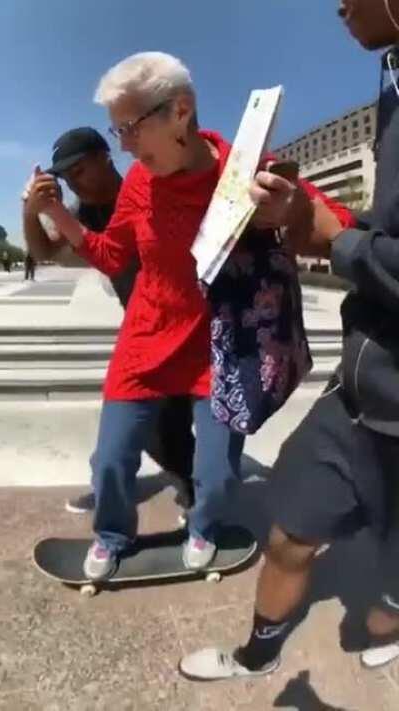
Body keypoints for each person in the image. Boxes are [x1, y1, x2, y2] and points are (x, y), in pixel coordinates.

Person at [36, 52, 352, 583]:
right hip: (146, 337)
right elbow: (114, 255)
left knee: (218, 475)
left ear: (180, 111)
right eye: (117, 133)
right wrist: (58, 215)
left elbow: (333, 221)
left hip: (218, 344)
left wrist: (288, 209)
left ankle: (204, 528)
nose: (126, 147)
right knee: (111, 460)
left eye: (131, 128)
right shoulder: (140, 182)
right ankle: (112, 535)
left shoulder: (244, 168)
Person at [179, 0, 399, 681]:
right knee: (289, 532)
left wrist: (342, 241)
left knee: (393, 577)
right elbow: (378, 225)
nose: (338, 4)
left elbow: (366, 243)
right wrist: (307, 218)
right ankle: (257, 653)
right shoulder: (391, 86)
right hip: (362, 388)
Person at [22, 126, 195, 515]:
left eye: (80, 171)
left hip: (183, 322)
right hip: (141, 325)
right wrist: (31, 211)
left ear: (105, 156)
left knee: (163, 420)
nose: (74, 184)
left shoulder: (148, 188)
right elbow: (45, 251)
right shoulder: (88, 213)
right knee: (137, 417)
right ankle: (116, 483)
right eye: (66, 178)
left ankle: (194, 485)